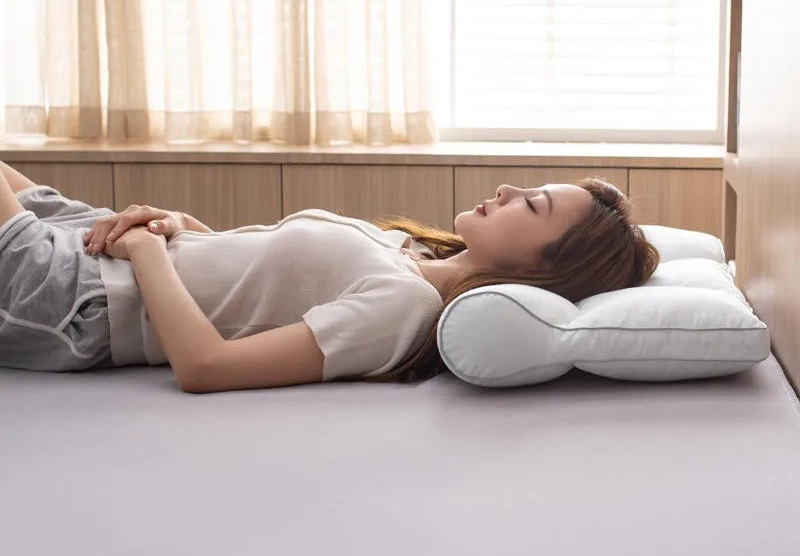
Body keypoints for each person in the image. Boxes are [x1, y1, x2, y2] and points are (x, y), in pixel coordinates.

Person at [0, 160, 659, 392]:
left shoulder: (402, 308)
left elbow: (206, 365)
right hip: (107, 249)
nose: (509, 188)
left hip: (77, 300)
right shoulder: (412, 253)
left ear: (546, 267)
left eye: (532, 205)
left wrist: (146, 256)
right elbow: (254, 282)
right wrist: (179, 225)